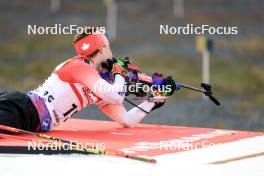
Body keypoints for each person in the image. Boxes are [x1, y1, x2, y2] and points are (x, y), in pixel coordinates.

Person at [0, 28, 177, 132]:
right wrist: (119, 74)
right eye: (108, 48)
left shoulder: (101, 83)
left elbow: (127, 120)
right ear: (100, 50)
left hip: (32, 122)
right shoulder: (79, 66)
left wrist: (153, 100)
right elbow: (116, 95)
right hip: (22, 109)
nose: (111, 53)